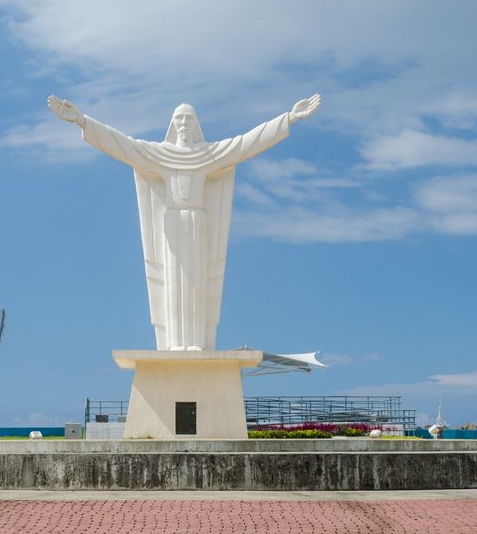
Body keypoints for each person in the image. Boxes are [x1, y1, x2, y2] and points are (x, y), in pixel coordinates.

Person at [49, 94, 321, 350]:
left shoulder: (208, 155)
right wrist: (82, 121)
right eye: (179, 118)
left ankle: (195, 342)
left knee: (195, 283)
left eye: (188, 118)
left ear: (196, 124)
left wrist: (289, 118)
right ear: (172, 123)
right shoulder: (160, 155)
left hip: (196, 222)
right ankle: (175, 343)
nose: (183, 123)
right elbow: (123, 145)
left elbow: (247, 143)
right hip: (172, 223)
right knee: (172, 282)